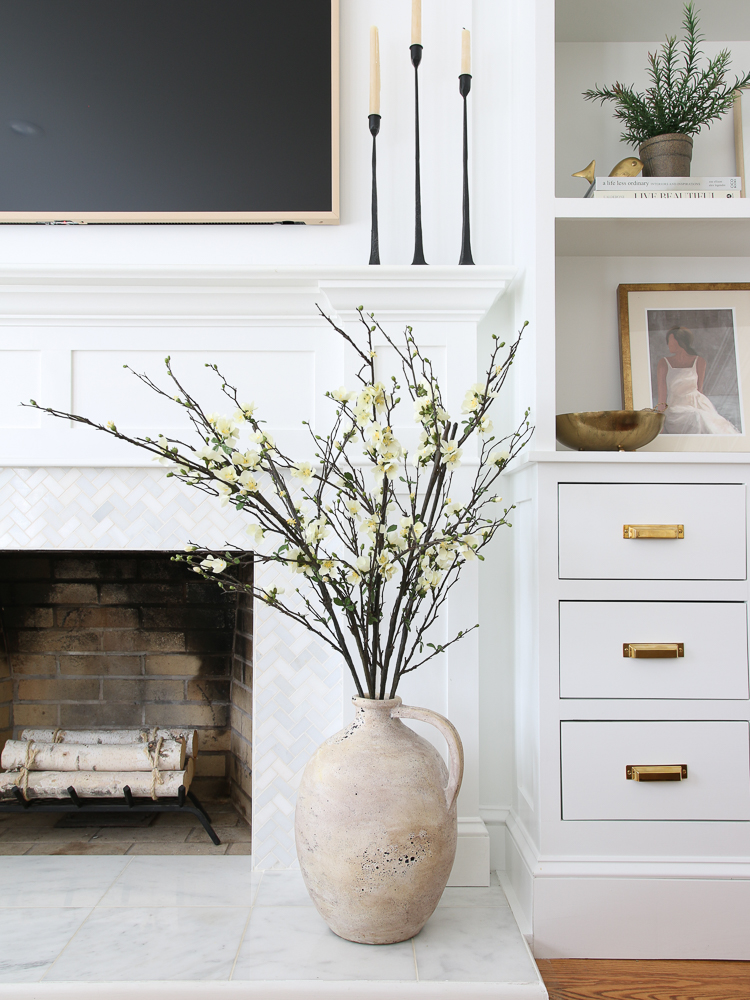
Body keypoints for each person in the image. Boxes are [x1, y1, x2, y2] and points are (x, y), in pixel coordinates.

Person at [656, 326, 740, 435]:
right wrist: (659, 424)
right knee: (696, 417)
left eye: (671, 341)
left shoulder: (699, 361)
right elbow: (662, 397)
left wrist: (706, 410)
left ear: (680, 342)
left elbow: (700, 390)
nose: (669, 344)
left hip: (698, 405)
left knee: (710, 421)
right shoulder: (664, 363)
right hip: (676, 411)